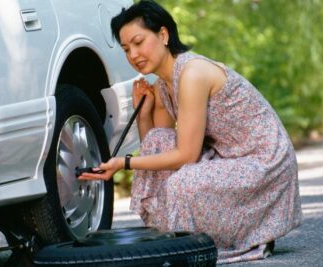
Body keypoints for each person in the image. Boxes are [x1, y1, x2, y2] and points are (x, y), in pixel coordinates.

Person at [79, 0, 302, 264]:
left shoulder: (193, 73)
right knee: (162, 151)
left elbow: (185, 155)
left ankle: (245, 237)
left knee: (182, 185)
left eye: (139, 42)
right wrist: (144, 113)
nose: (133, 55)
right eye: (127, 49)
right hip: (227, 158)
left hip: (263, 163)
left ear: (163, 35)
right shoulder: (163, 86)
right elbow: (157, 152)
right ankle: (180, 237)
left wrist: (123, 163)